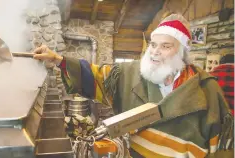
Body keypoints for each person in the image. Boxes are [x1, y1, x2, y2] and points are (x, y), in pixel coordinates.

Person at [32, 14, 234, 158]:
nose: (155, 52)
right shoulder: (130, 74)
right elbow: (97, 76)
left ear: (182, 53)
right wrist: (59, 60)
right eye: (153, 44)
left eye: (166, 46)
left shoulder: (207, 90)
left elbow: (222, 146)